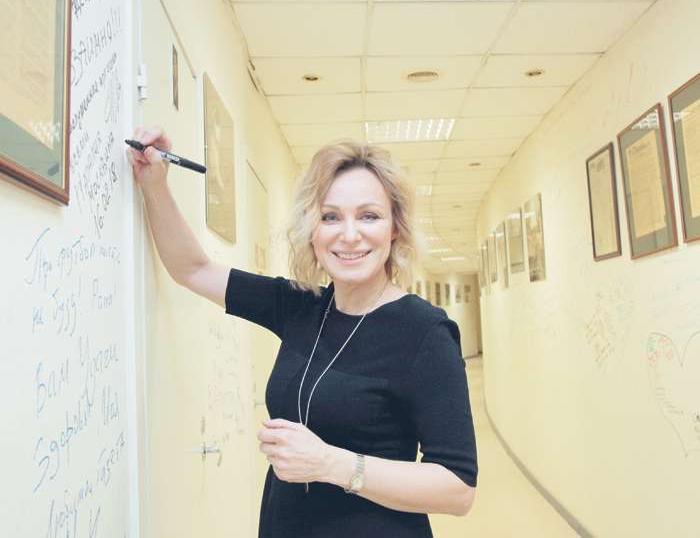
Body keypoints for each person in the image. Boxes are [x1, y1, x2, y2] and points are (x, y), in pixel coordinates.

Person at [127, 127, 478, 538]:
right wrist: (154, 184)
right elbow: (192, 269)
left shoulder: (425, 331)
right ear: (312, 229)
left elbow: (458, 488)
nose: (349, 235)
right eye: (330, 217)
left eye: (369, 216)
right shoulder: (302, 306)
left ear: (394, 227)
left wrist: (331, 463)